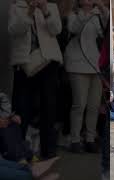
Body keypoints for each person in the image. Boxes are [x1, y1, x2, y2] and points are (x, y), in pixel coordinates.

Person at [9, 0, 63, 159]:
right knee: (22, 107)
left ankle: (48, 150)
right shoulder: (16, 7)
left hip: (48, 63)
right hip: (25, 64)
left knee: (49, 107)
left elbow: (56, 30)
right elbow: (14, 31)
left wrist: (45, 10)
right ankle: (18, 151)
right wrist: (29, 11)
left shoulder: (51, 7)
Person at [64, 0, 108, 154]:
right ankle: (75, 140)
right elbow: (73, 28)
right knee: (79, 104)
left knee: (93, 105)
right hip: (77, 63)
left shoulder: (98, 15)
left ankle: (90, 138)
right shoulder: (74, 14)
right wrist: (88, 14)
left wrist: (102, 8)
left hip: (94, 64)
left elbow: (107, 28)